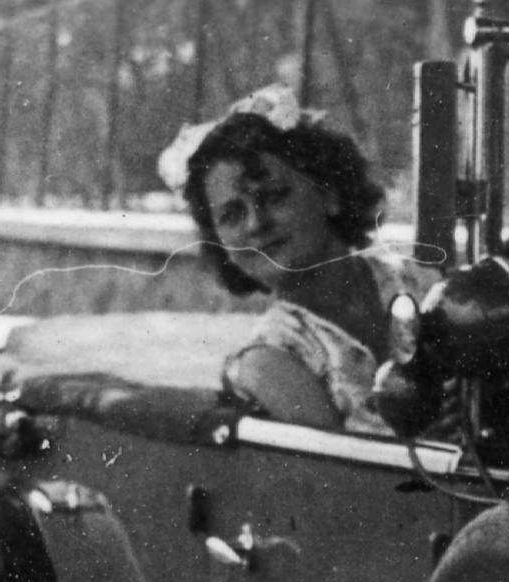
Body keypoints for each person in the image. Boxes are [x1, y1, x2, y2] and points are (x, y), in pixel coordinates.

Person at [161, 87, 435, 432]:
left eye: (273, 197)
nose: (256, 224)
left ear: (329, 194)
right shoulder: (271, 361)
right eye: (232, 215)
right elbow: (348, 478)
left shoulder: (421, 282)